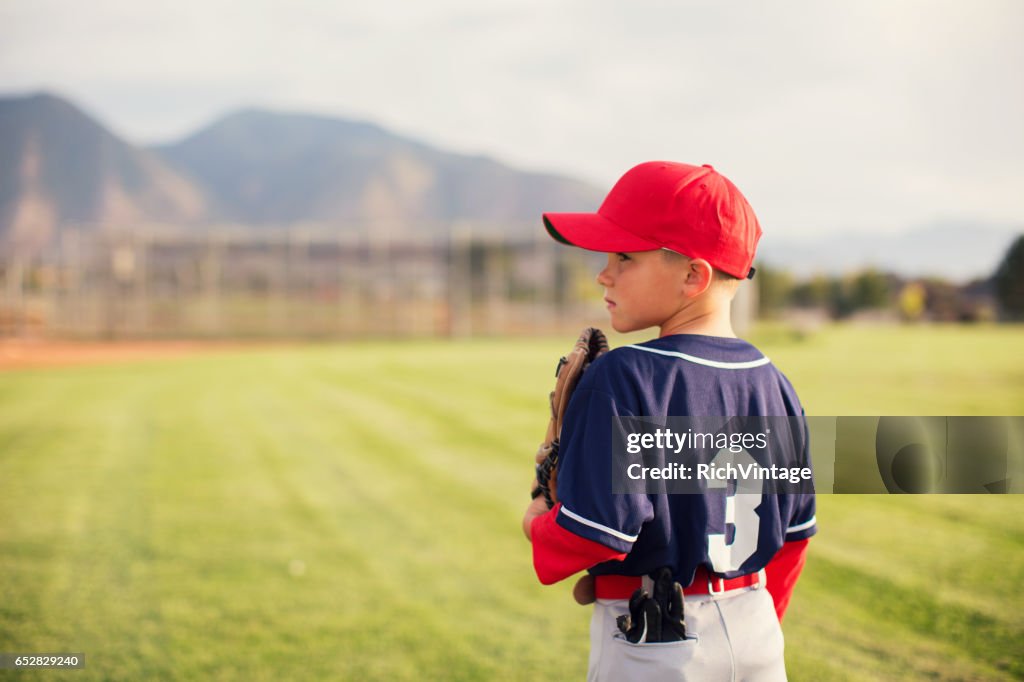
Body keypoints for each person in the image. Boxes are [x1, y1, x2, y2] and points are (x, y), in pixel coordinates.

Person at [522, 161, 816, 681]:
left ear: (693, 276)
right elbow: (794, 537)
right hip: (758, 632)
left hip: (655, 645)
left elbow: (595, 534)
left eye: (624, 257)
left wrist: (537, 520)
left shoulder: (624, 376)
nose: (603, 272)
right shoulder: (776, 383)